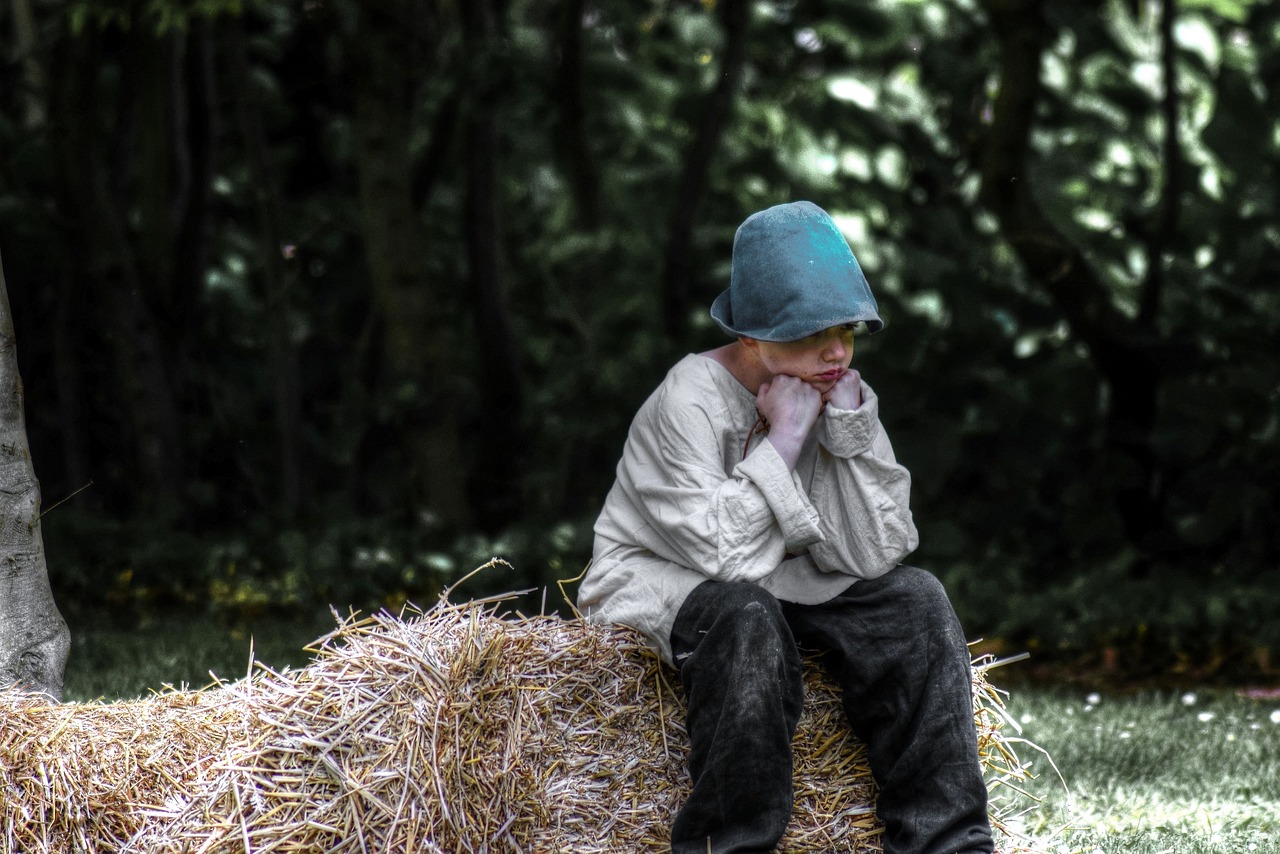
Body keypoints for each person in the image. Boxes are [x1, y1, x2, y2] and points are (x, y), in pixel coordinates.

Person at [577, 201, 994, 854]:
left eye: (847, 330)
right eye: (810, 334)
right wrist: (788, 438)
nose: (836, 352)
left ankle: (948, 844)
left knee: (916, 600)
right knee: (747, 617)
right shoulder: (686, 399)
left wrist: (848, 433)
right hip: (665, 578)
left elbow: (876, 552)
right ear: (751, 336)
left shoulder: (835, 388)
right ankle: (731, 845)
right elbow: (724, 559)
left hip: (785, 578)